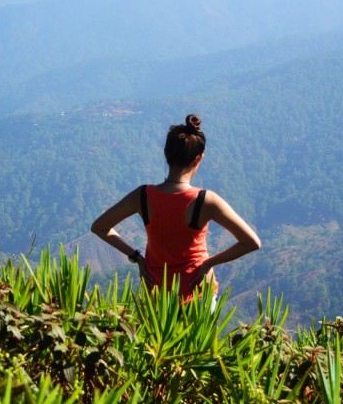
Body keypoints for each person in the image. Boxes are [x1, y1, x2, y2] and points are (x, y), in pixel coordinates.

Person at [90, 114, 261, 302]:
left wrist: (137, 257)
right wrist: (209, 263)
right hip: (197, 294)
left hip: (157, 296)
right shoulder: (206, 200)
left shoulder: (143, 196)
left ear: (165, 153)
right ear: (198, 159)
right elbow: (252, 242)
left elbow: (100, 227)